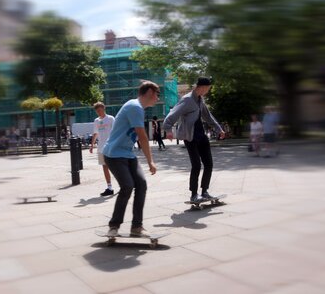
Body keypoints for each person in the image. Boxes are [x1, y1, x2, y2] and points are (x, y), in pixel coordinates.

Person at [102, 81, 159, 237]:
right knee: (127, 186)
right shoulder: (135, 107)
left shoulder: (137, 107)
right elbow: (142, 136)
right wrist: (150, 161)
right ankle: (113, 226)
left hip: (127, 154)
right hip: (113, 154)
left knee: (141, 184)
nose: (157, 98)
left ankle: (136, 227)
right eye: (157, 94)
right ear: (149, 93)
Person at [163, 77, 225, 203]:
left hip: (201, 135)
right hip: (190, 137)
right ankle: (193, 194)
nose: (207, 91)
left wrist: (219, 129)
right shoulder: (186, 100)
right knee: (196, 165)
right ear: (202, 87)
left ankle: (205, 192)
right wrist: (168, 129)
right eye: (208, 89)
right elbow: (173, 114)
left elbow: (208, 116)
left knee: (208, 164)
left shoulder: (200, 100)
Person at [89, 102, 115, 196]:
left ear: (104, 109)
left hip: (111, 146)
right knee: (105, 167)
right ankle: (109, 187)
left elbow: (116, 131)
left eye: (100, 110)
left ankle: (124, 184)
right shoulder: (96, 121)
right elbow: (95, 133)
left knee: (115, 167)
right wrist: (92, 145)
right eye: (97, 111)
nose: (99, 112)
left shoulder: (110, 119)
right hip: (101, 148)